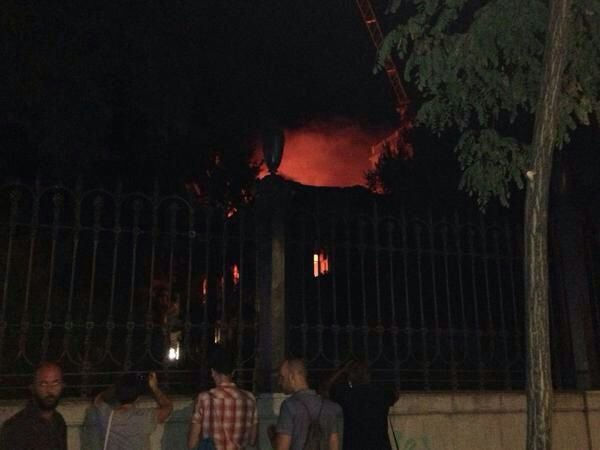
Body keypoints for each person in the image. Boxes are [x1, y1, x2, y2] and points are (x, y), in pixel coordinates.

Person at [187, 347, 257, 450]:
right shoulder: (250, 399)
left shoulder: (205, 399)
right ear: (233, 372)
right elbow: (252, 440)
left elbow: (192, 444)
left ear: (212, 372)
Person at [320, 359, 399, 450]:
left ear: (350, 377)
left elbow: (324, 389)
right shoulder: (381, 393)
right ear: (368, 375)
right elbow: (396, 394)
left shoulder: (346, 395)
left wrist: (342, 370)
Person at [269, 358, 342, 450]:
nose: (279, 382)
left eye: (282, 377)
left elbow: (282, 448)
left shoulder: (289, 406)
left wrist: (272, 437)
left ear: (292, 377)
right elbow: (334, 443)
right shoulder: (328, 406)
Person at [94, 371, 173, 450]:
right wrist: (154, 388)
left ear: (117, 394)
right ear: (137, 398)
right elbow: (168, 407)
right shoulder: (145, 417)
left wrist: (117, 387)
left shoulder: (107, 415)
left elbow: (98, 399)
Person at [0, 361, 67, 450]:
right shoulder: (16, 427)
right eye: (43, 384)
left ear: (62, 386)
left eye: (55, 383)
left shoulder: (58, 421)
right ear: (33, 388)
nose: (50, 390)